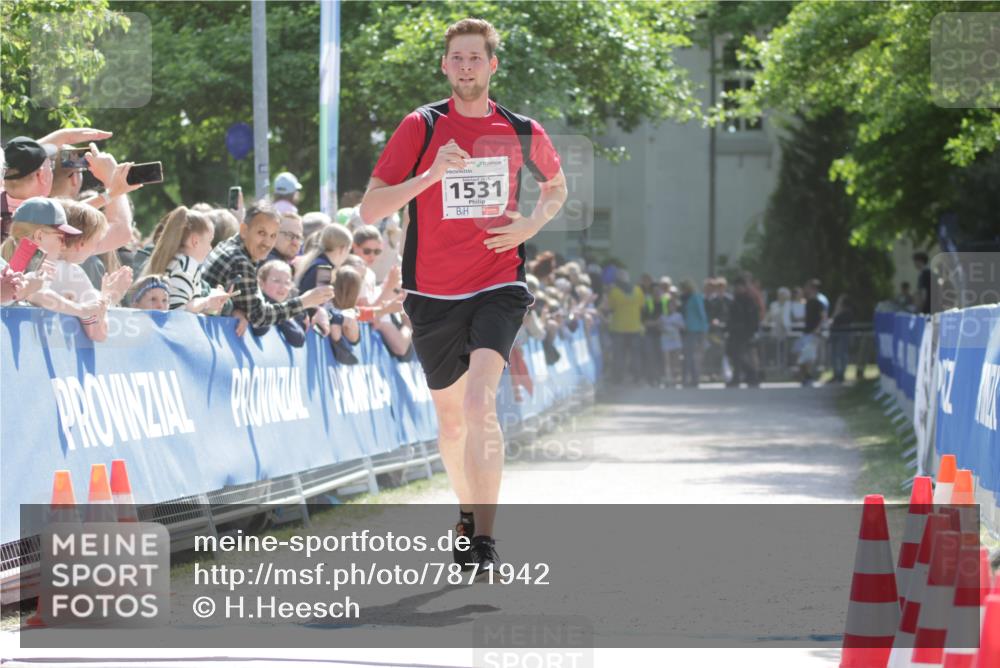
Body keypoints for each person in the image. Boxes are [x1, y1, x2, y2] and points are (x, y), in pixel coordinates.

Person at [359, 17, 567, 574]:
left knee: (481, 405)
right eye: (459, 58)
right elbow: (370, 210)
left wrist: (530, 226)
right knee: (451, 422)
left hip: (499, 281)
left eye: (477, 57)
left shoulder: (522, 130)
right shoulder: (420, 127)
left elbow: (556, 187)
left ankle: (486, 538)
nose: (468, 66)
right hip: (431, 290)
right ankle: (466, 514)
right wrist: (429, 175)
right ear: (445, 66)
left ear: (493, 65)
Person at [201, 200, 333, 336]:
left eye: (273, 235)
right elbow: (260, 317)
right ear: (244, 230)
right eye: (261, 233)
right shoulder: (240, 261)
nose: (267, 243)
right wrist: (305, 301)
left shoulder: (235, 246)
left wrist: (236, 309)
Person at [142, 206, 233, 314]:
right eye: (209, 242)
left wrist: (211, 302)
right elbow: (178, 310)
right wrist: (207, 301)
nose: (210, 248)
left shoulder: (178, 262)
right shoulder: (185, 266)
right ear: (195, 241)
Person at [602, 269, 644, 385]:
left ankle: (617, 379)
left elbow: (609, 309)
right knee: (635, 355)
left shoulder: (614, 292)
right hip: (635, 327)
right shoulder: (638, 291)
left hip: (618, 328)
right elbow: (642, 307)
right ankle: (637, 378)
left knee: (619, 356)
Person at [726, 277, 761, 388]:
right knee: (733, 353)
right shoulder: (735, 299)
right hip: (735, 332)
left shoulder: (749, 300)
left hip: (745, 332)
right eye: (736, 286)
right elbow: (732, 316)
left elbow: (753, 317)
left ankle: (747, 376)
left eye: (739, 286)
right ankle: (750, 375)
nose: (737, 288)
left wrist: (752, 331)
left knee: (739, 355)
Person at [679, 278, 708, 388]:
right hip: (687, 329)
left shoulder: (696, 297)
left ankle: (693, 379)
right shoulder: (685, 298)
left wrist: (704, 330)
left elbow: (702, 313)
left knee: (691, 356)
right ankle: (687, 379)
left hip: (696, 330)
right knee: (687, 355)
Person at [798, 280, 826, 386]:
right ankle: (805, 376)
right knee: (803, 356)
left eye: (808, 287)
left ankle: (808, 377)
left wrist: (818, 329)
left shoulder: (819, 303)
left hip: (813, 333)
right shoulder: (808, 302)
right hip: (806, 332)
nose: (806, 290)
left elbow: (823, 317)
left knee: (809, 355)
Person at [829, 294, 853, 383]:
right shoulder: (838, 311)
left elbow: (839, 322)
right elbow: (832, 321)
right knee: (834, 356)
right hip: (835, 336)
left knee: (842, 355)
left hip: (842, 336)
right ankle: (836, 374)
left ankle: (841, 374)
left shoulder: (848, 312)